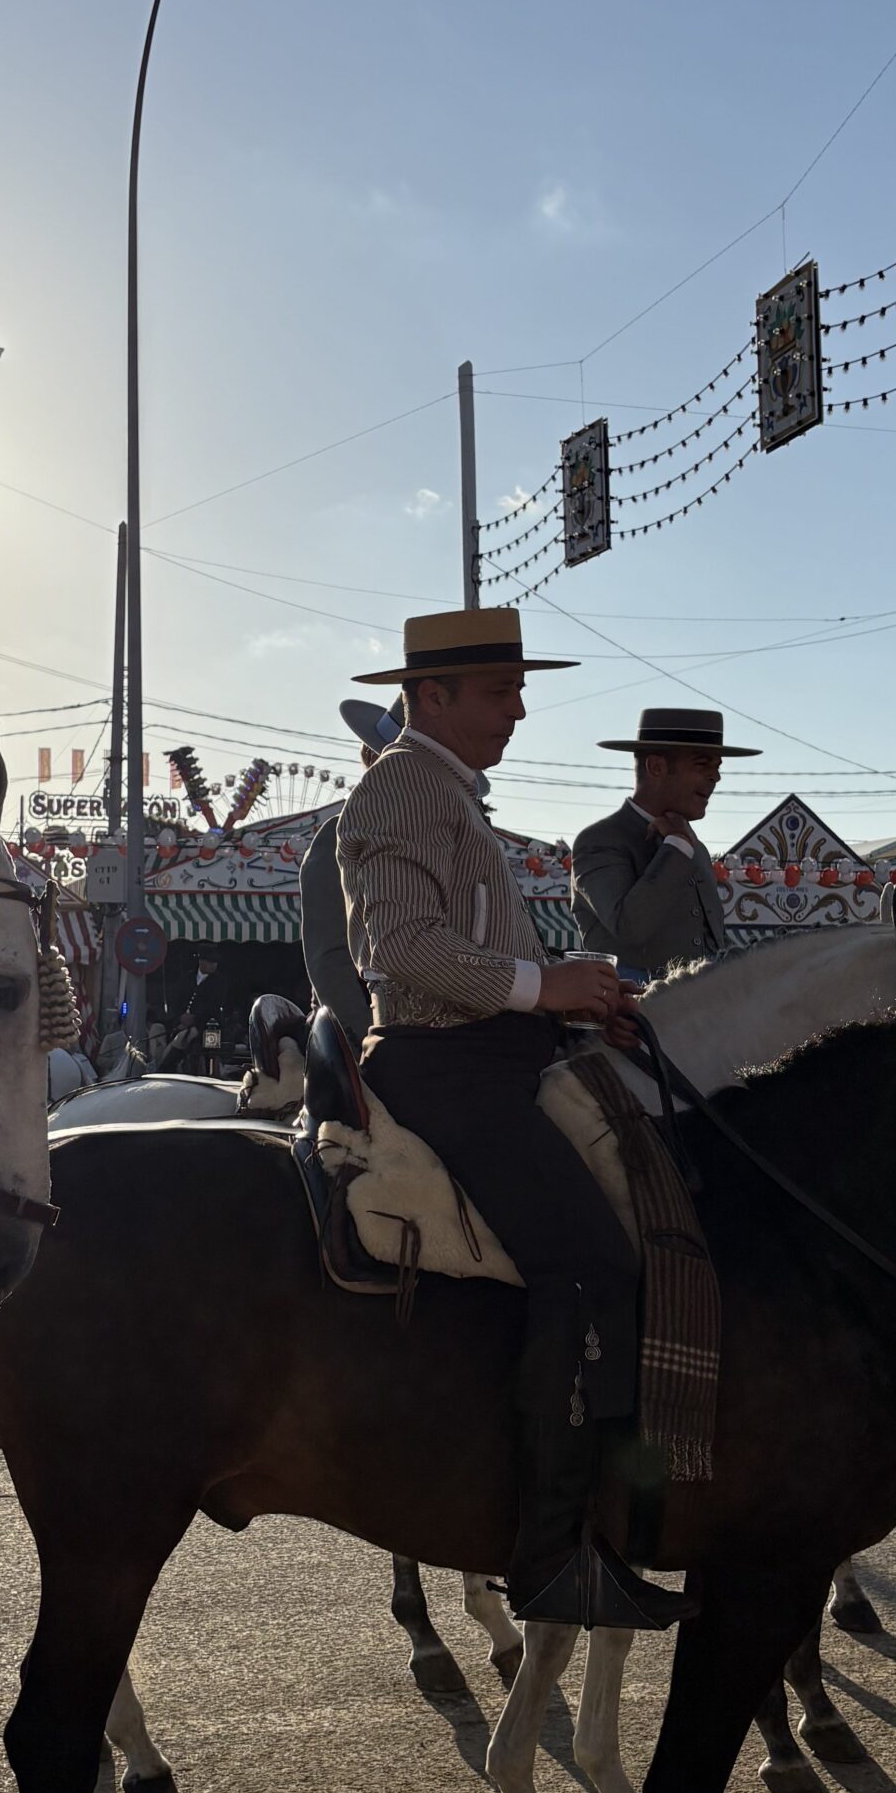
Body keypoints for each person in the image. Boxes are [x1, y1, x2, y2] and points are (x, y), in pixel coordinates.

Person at [336, 606, 691, 1631]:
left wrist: (579, 1005)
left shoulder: (448, 790)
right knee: (591, 1261)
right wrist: (547, 988)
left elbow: (476, 954)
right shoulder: (403, 783)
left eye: (520, 689)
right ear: (431, 694)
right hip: (447, 1068)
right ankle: (548, 1558)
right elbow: (404, 946)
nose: (521, 710)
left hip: (493, 1058)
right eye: (502, 691)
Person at [572, 707, 757, 977]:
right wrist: (677, 846)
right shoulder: (600, 841)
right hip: (632, 1004)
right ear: (656, 767)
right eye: (702, 764)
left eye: (717, 768)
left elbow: (712, 944)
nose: (715, 777)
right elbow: (629, 927)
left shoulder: (695, 848)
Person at [298, 699, 400, 1047]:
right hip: (369, 1037)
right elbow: (329, 961)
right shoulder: (339, 837)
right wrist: (368, 1042)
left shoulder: (448, 839)